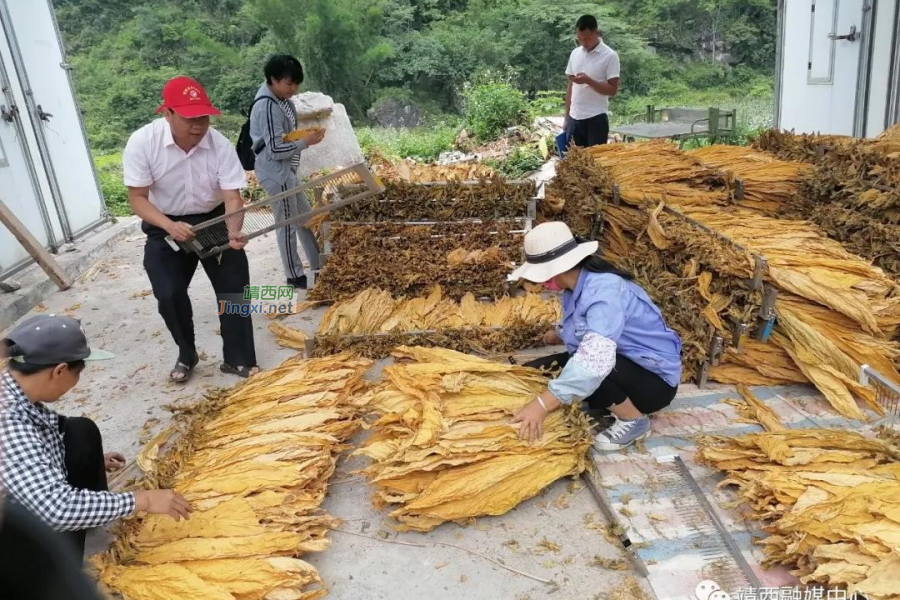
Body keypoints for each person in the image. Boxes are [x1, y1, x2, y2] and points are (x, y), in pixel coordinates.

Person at [0, 314, 192, 561]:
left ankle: (91, 513)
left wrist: (91, 461)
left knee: (79, 431)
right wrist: (142, 499)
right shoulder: (8, 421)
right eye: (77, 373)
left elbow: (38, 438)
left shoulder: (12, 387)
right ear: (59, 371)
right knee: (62, 526)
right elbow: (56, 509)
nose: (76, 383)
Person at [123, 75, 260, 383]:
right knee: (168, 293)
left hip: (214, 220)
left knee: (234, 289)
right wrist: (169, 225)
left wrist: (234, 231)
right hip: (165, 223)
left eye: (203, 117)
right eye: (189, 118)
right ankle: (187, 353)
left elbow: (232, 197)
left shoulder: (220, 145)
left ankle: (238, 359)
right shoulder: (143, 143)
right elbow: (137, 198)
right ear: (167, 113)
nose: (198, 125)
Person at [508, 222, 682, 452]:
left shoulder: (604, 292)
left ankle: (634, 420)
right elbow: (584, 324)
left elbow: (594, 361)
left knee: (587, 369)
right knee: (535, 372)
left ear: (554, 270)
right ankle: (608, 400)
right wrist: (558, 334)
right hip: (624, 362)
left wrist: (541, 406)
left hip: (653, 382)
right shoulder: (576, 286)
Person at [250, 55, 325, 289]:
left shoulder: (282, 100)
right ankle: (294, 276)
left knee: (305, 218)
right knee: (287, 224)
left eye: (296, 84)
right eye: (289, 84)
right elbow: (274, 148)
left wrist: (303, 137)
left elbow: (285, 136)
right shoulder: (267, 105)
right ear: (273, 80)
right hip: (276, 172)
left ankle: (319, 266)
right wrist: (306, 142)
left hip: (287, 171)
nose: (293, 89)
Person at [564, 15, 620, 148]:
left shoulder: (610, 56)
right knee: (572, 162)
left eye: (587, 38)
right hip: (574, 116)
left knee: (594, 163)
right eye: (580, 38)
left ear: (596, 32)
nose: (584, 42)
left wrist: (589, 80)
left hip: (596, 118)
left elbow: (612, 90)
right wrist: (566, 117)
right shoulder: (575, 53)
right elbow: (571, 85)